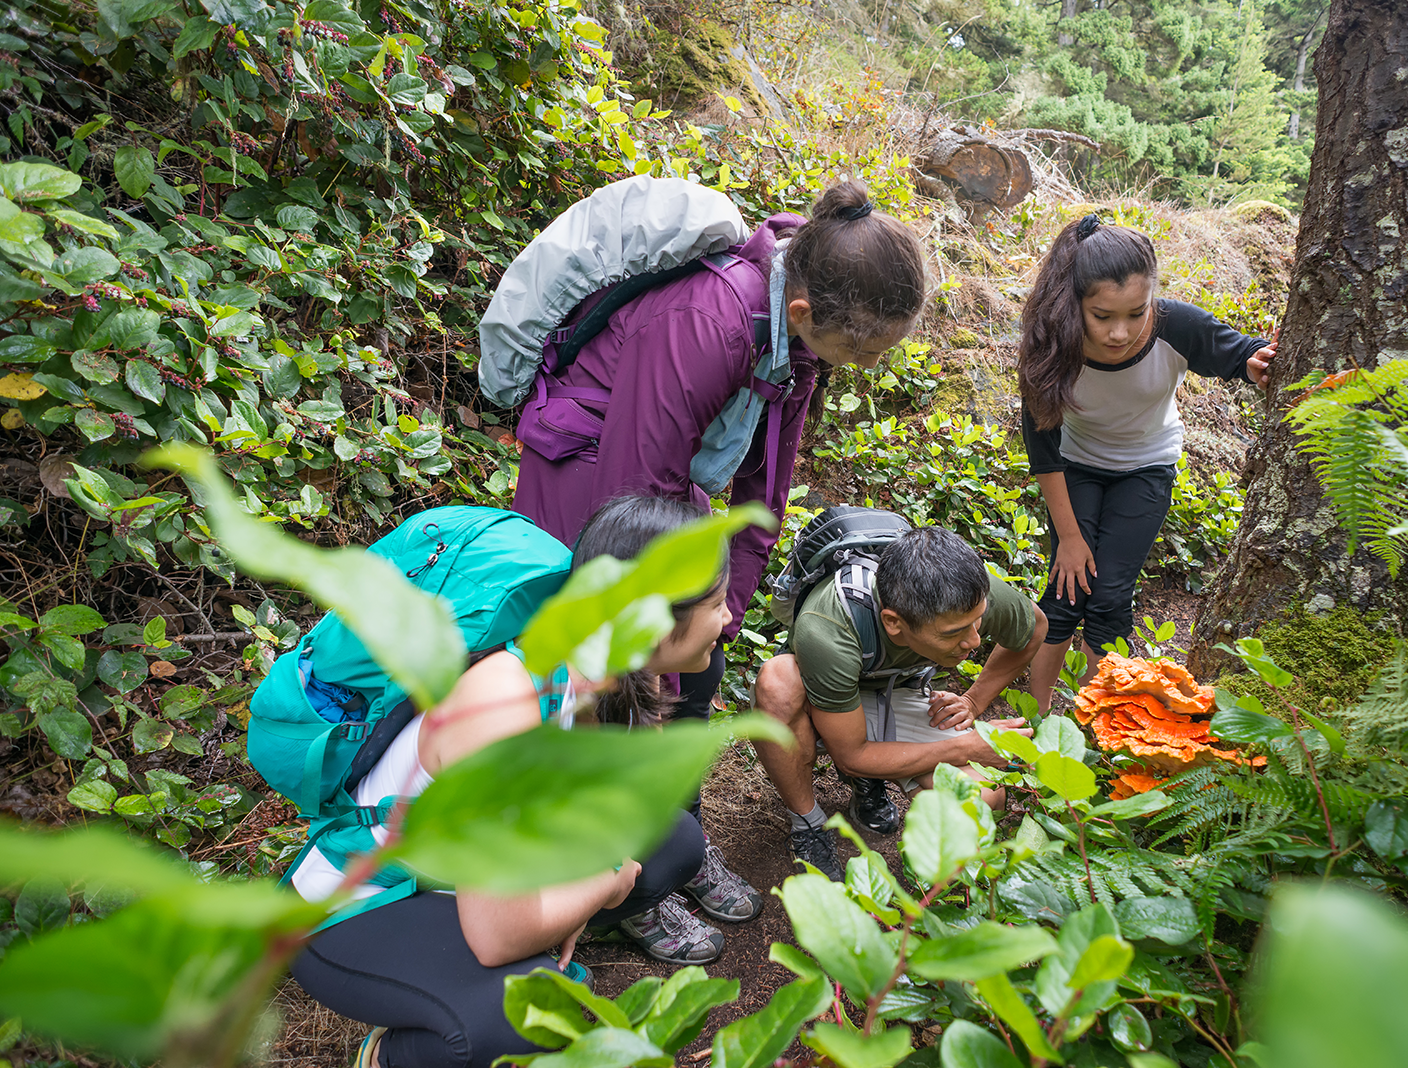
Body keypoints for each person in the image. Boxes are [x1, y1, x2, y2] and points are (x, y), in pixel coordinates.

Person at [508, 180, 929, 855]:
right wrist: (664, 648)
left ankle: (675, 833)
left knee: (701, 666)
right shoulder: (708, 320)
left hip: (668, 481)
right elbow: (633, 499)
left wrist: (722, 610)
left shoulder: (797, 338)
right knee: (609, 677)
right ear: (802, 311)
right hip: (587, 476)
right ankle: (613, 868)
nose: (873, 364)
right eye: (869, 350)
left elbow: (765, 492)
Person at [290, 496, 738, 1068]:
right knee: (521, 1015)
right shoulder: (506, 703)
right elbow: (496, 935)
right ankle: (391, 1054)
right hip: (361, 904)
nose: (728, 620)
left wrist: (575, 893)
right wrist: (602, 886)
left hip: (452, 882)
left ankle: (482, 968)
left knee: (670, 840)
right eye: (718, 603)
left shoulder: (594, 673)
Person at [1016, 214, 1279, 714]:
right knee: (1065, 591)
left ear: (1152, 299)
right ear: (1074, 303)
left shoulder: (1176, 325)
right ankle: (1036, 716)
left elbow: (1241, 354)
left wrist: (1257, 364)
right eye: (1102, 315)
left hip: (1146, 465)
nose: (1120, 332)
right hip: (1075, 466)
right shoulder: (1050, 345)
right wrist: (1069, 540)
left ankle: (1097, 725)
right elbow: (1044, 452)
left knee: (1109, 598)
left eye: (1136, 313)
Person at [750, 526, 1048, 881]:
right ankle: (809, 823)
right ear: (893, 623)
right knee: (777, 682)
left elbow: (1034, 629)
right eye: (953, 632)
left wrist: (973, 700)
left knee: (983, 797)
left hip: (898, 689)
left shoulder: (966, 592)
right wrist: (964, 747)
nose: (973, 640)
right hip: (824, 695)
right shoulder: (828, 627)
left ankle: (872, 789)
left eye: (977, 621)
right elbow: (852, 755)